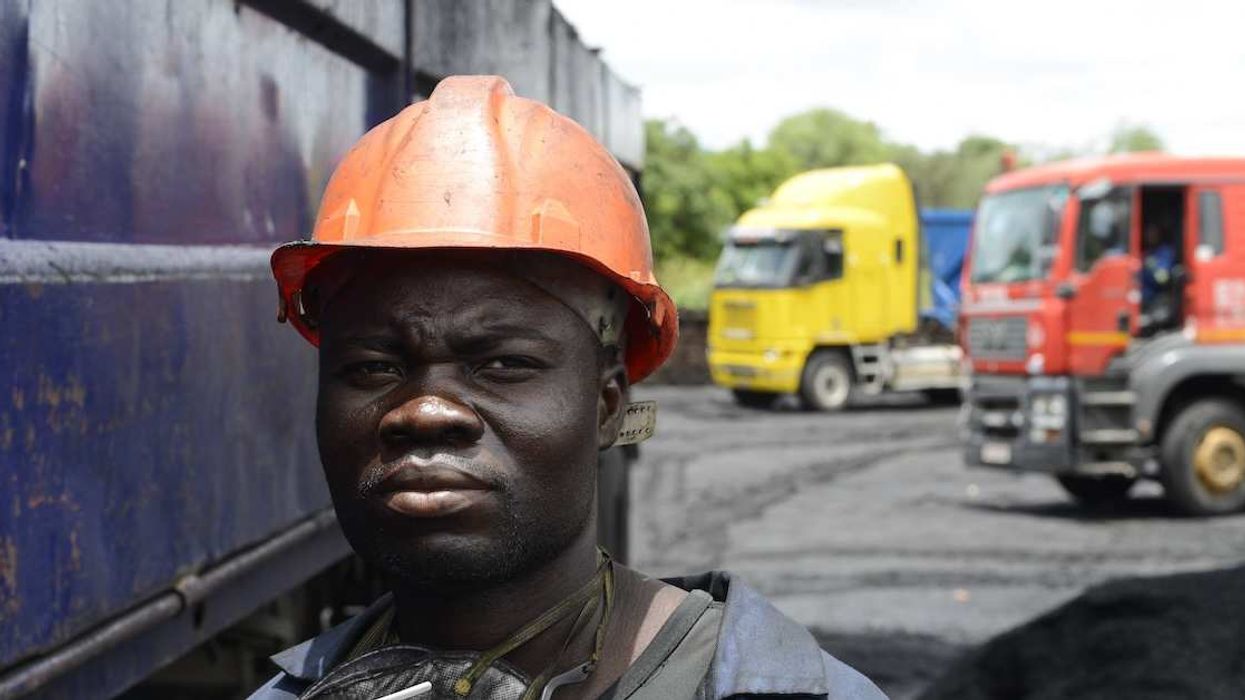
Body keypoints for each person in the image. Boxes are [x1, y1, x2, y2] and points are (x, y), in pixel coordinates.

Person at [252, 76, 884, 700]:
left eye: (502, 365)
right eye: (372, 368)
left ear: (608, 406)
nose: (426, 410)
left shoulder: (774, 688)